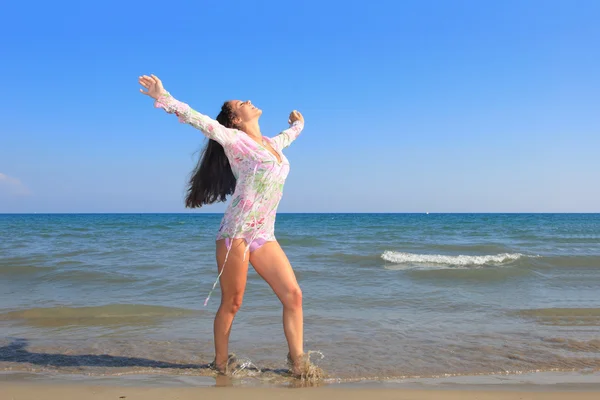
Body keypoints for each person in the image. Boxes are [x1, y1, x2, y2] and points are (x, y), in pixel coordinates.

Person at [138, 74, 312, 378]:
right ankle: (220, 363)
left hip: (264, 235)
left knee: (293, 296)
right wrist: (163, 97)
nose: (248, 102)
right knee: (233, 302)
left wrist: (299, 123)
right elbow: (200, 120)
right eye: (241, 104)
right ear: (236, 119)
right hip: (236, 234)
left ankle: (299, 366)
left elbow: (291, 135)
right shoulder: (235, 140)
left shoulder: (272, 145)